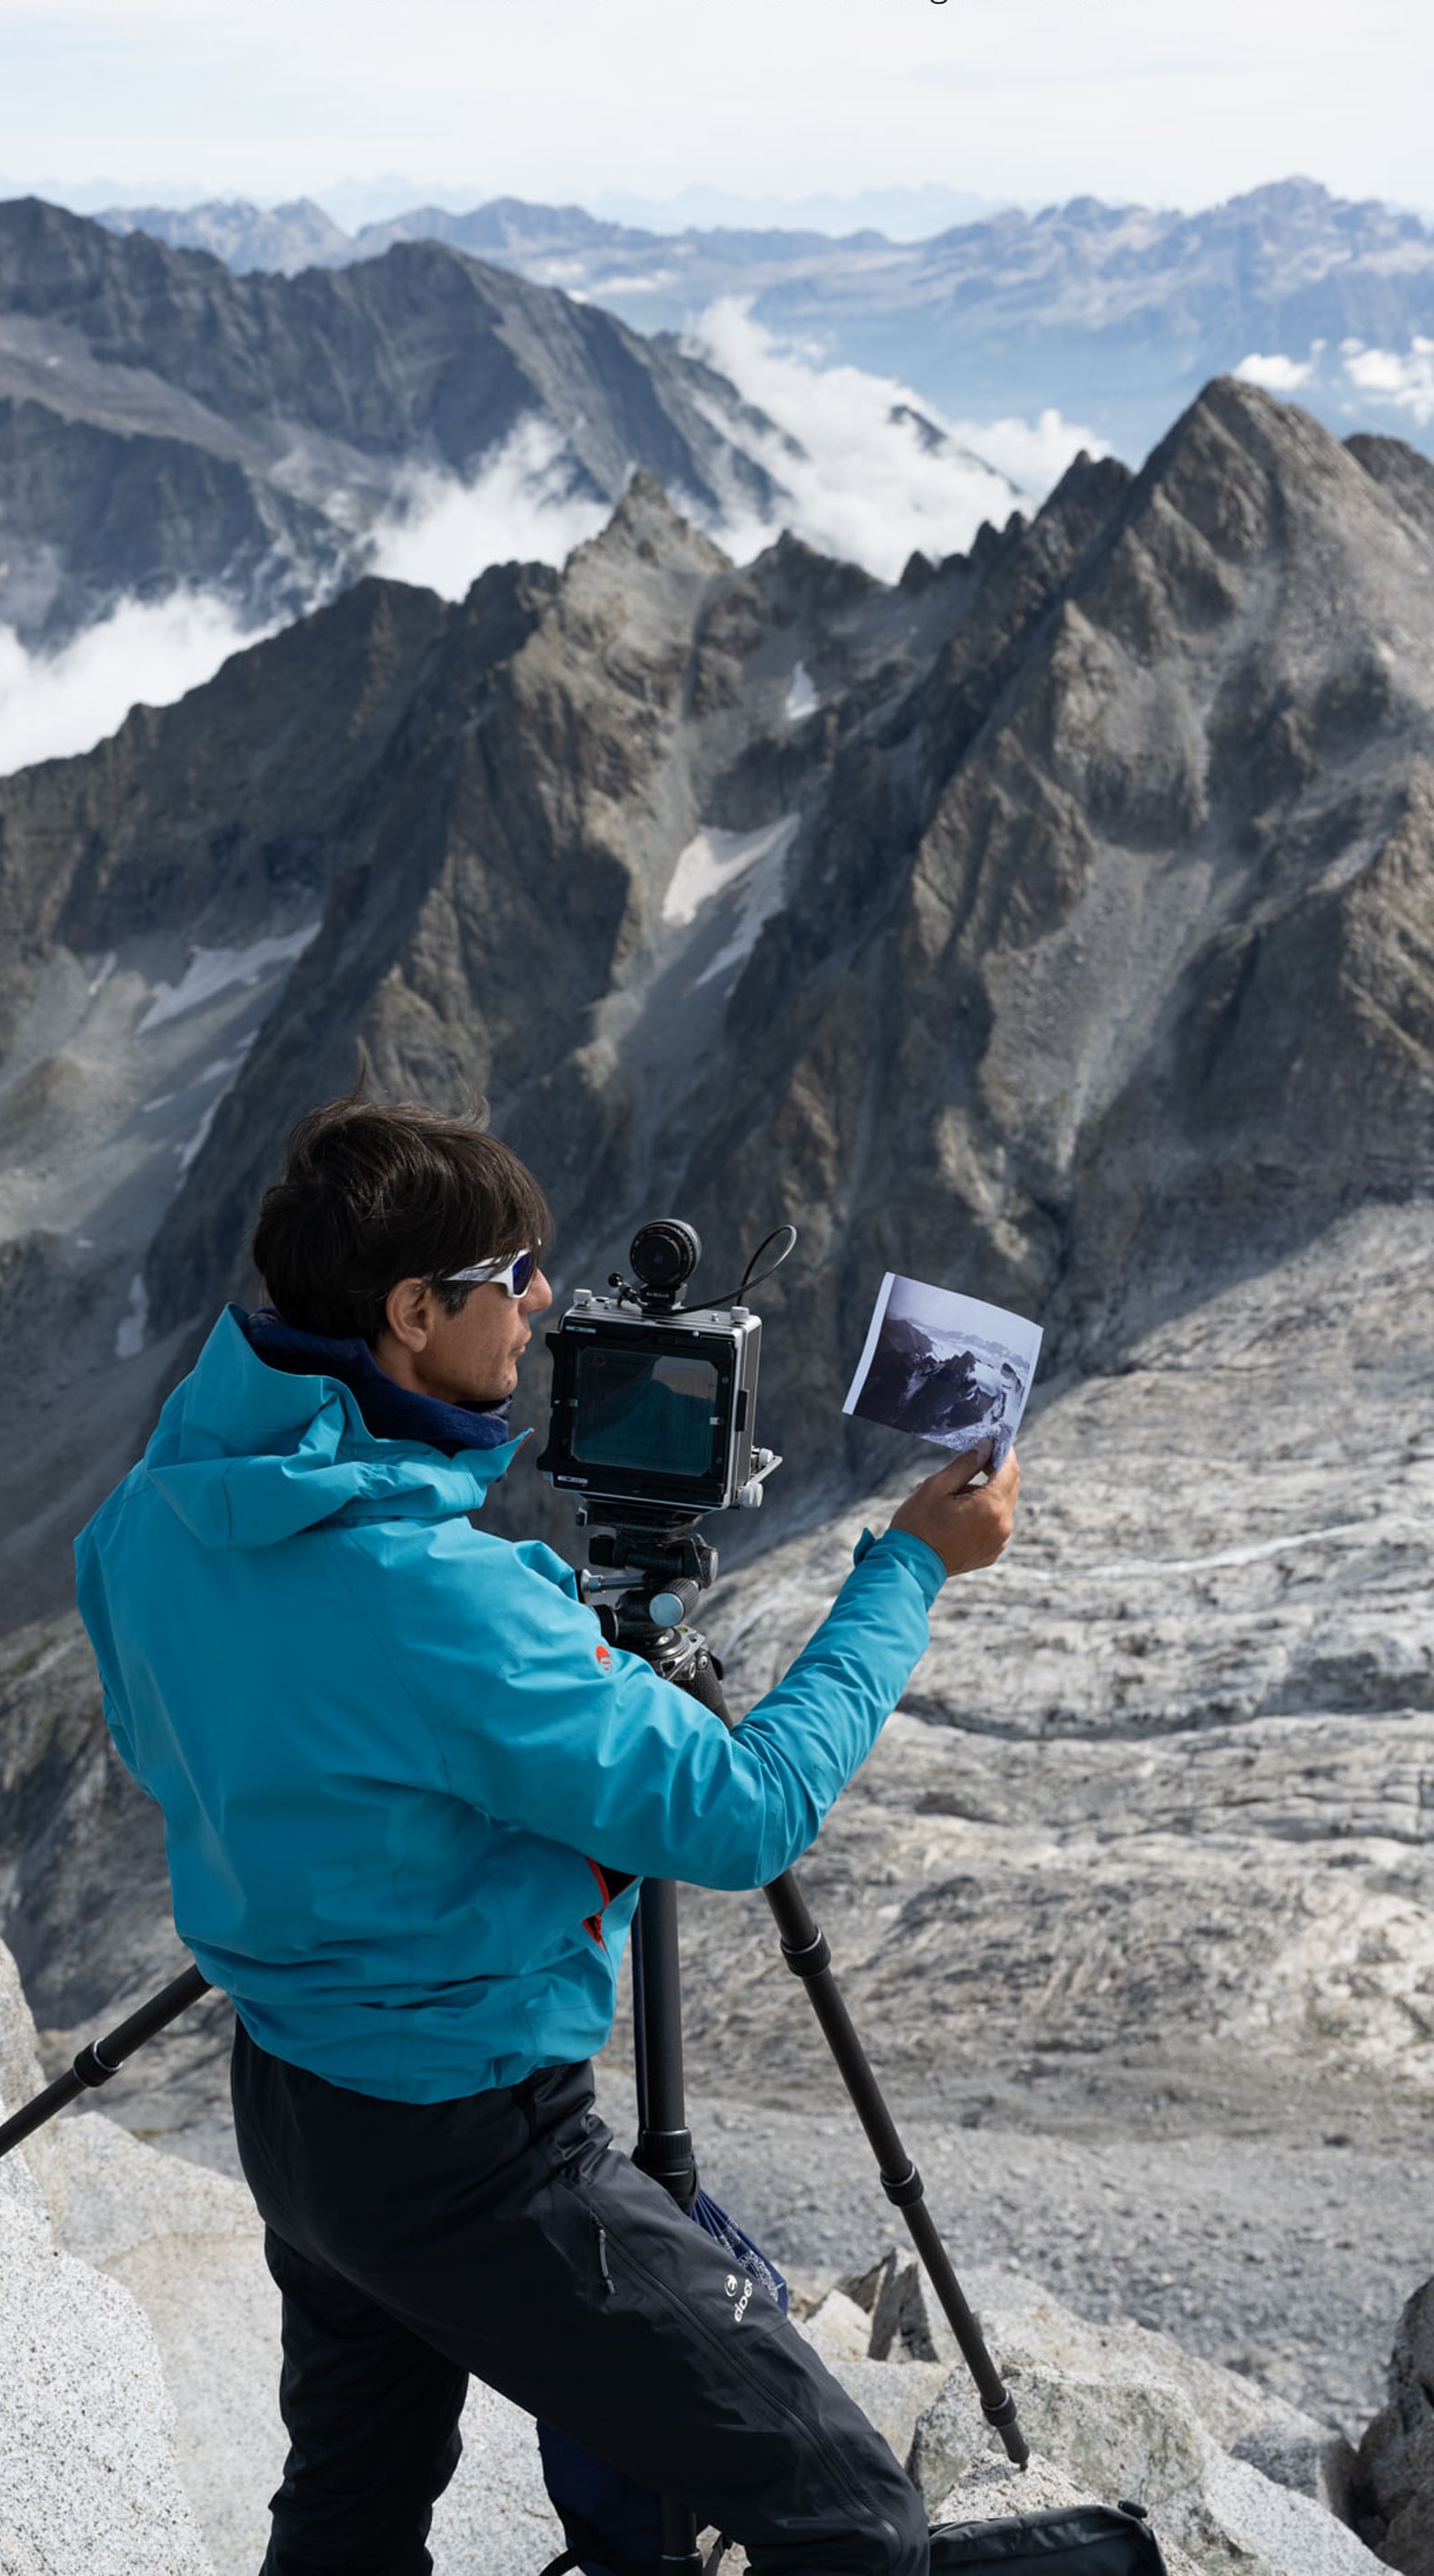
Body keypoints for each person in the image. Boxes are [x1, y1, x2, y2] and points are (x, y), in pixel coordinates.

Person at [74, 1089, 1020, 2576]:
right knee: (855, 2521)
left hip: (297, 2110)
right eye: (511, 1273)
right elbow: (745, 1813)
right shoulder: (442, 1600)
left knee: (348, 2515)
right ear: (408, 1311)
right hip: (478, 2153)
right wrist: (907, 1568)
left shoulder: (150, 1513)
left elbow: (165, 1744)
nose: (539, 1306)